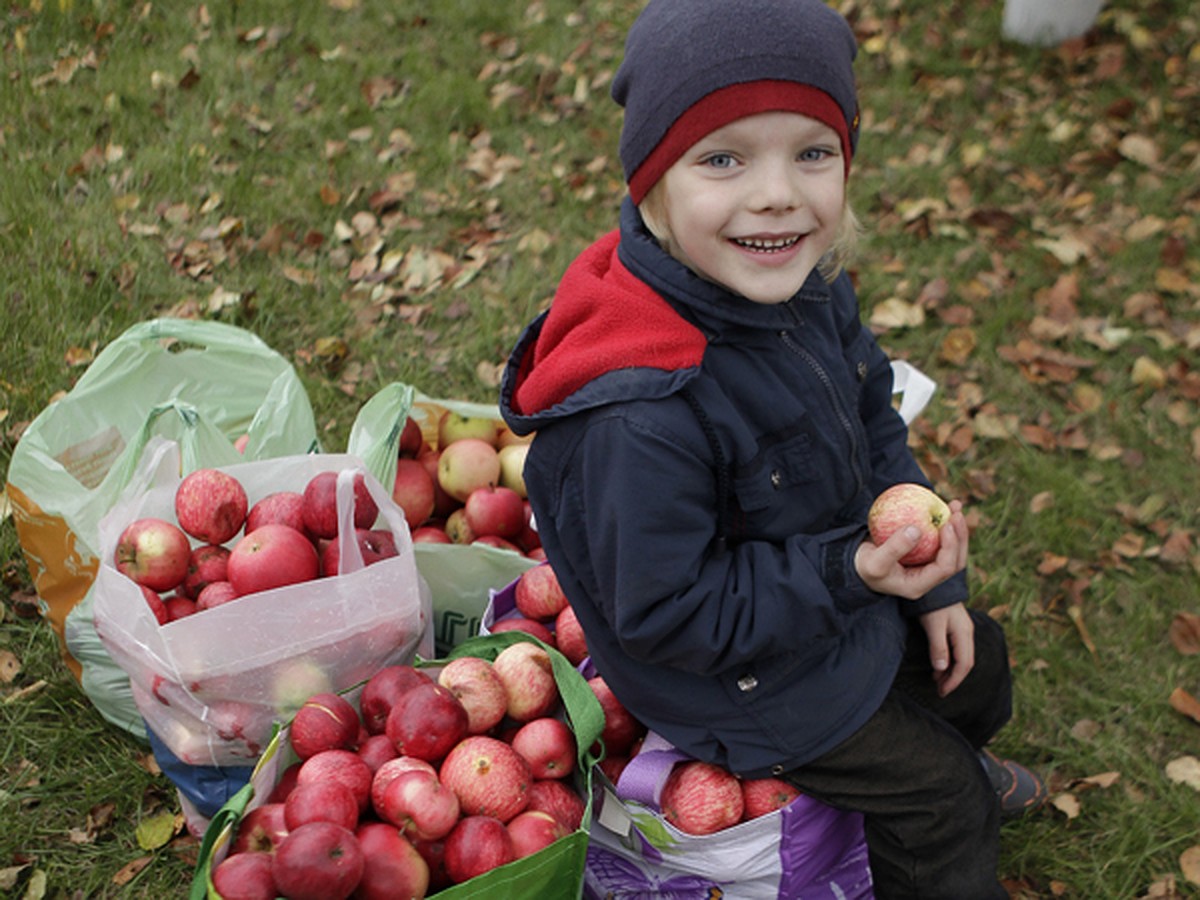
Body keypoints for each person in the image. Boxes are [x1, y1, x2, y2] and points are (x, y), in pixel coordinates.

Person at [498, 1, 1047, 896]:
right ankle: (936, 807)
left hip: (823, 589)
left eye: (812, 151)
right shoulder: (641, 412)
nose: (778, 193)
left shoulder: (799, 283)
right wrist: (855, 575)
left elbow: (872, 415)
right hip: (732, 677)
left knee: (975, 665)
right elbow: (671, 616)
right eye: (724, 158)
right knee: (944, 803)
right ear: (653, 184)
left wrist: (928, 570)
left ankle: (939, 759)